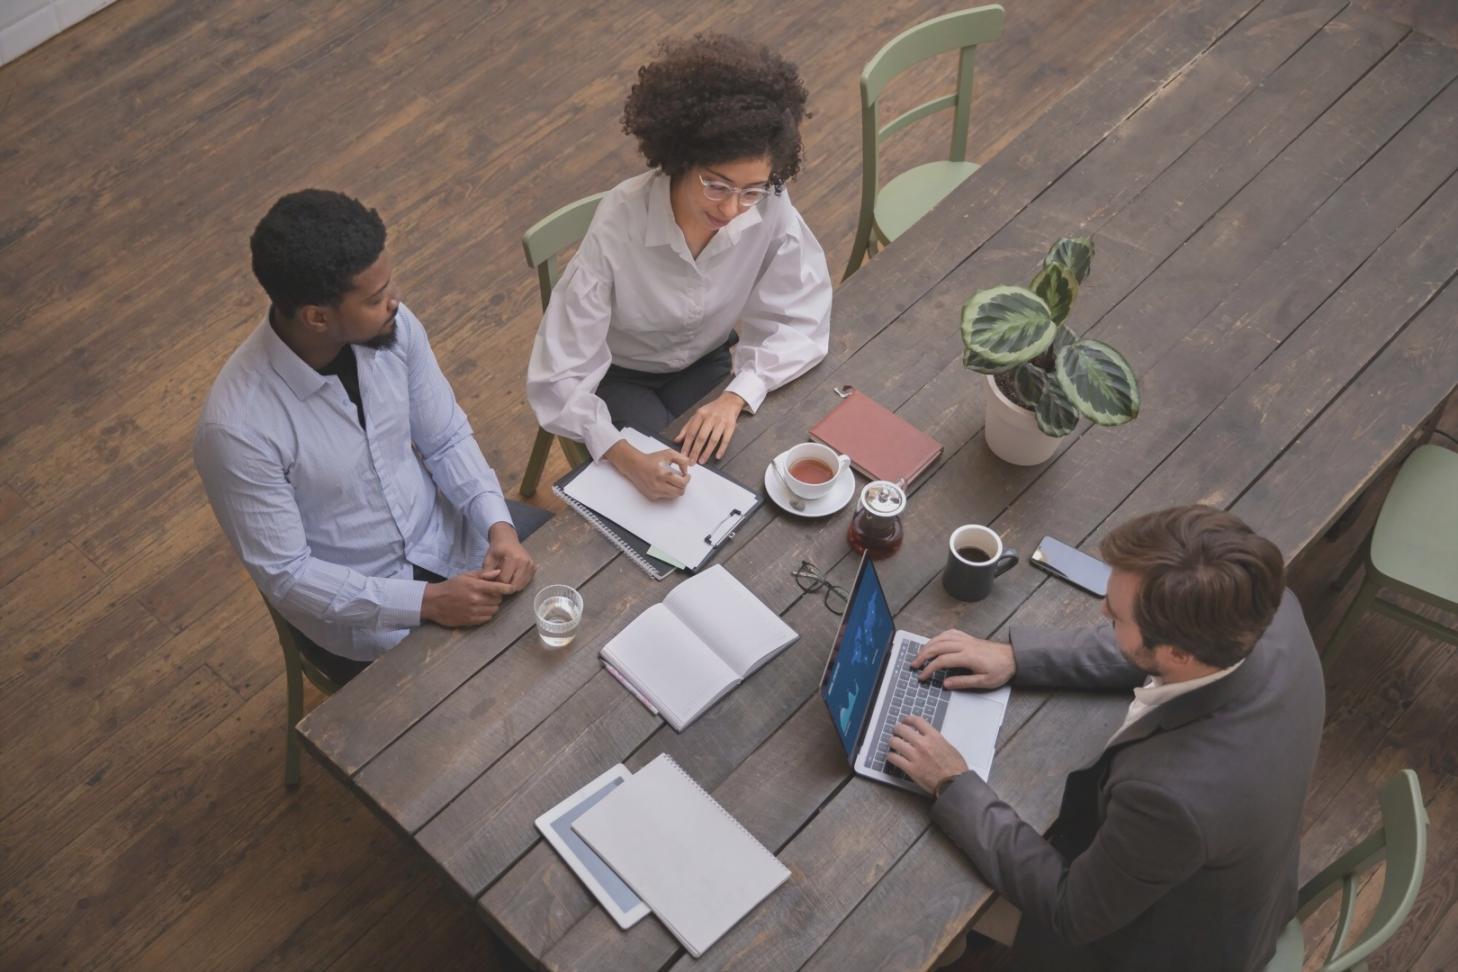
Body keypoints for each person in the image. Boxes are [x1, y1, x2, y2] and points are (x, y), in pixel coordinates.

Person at [887, 506, 1326, 971]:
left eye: (1115, 617)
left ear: (1177, 653)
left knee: (926, 907)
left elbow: (1069, 909)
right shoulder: (1267, 611)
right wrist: (1017, 657)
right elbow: (1148, 649)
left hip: (1151, 949)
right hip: (1222, 883)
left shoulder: (1172, 800)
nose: (1102, 611)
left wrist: (953, 783)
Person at [195, 189, 547, 685]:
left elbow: (445, 439)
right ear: (317, 317)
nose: (395, 301)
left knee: (585, 586)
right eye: (375, 298)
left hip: (450, 538)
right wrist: (429, 602)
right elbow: (289, 575)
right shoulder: (236, 431)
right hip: (366, 615)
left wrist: (499, 528)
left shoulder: (393, 327)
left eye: (389, 285)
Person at [526, 34, 832, 501]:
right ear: (681, 159)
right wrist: (624, 455)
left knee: (751, 462)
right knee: (678, 489)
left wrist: (737, 395)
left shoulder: (769, 202)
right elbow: (559, 374)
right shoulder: (620, 222)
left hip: (708, 360)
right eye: (716, 185)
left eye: (750, 191)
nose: (731, 208)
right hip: (621, 375)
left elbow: (803, 313)